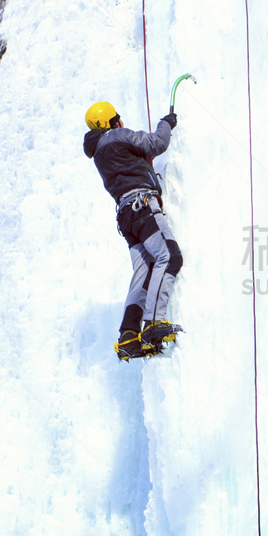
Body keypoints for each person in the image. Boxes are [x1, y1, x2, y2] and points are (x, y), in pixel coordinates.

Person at [83, 101, 183, 360]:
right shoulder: (116, 136)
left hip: (126, 218)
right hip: (142, 207)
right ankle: (153, 323)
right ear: (111, 122)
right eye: (117, 117)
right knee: (169, 256)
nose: (121, 120)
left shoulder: (98, 153)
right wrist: (166, 123)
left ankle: (128, 335)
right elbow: (156, 143)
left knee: (146, 270)